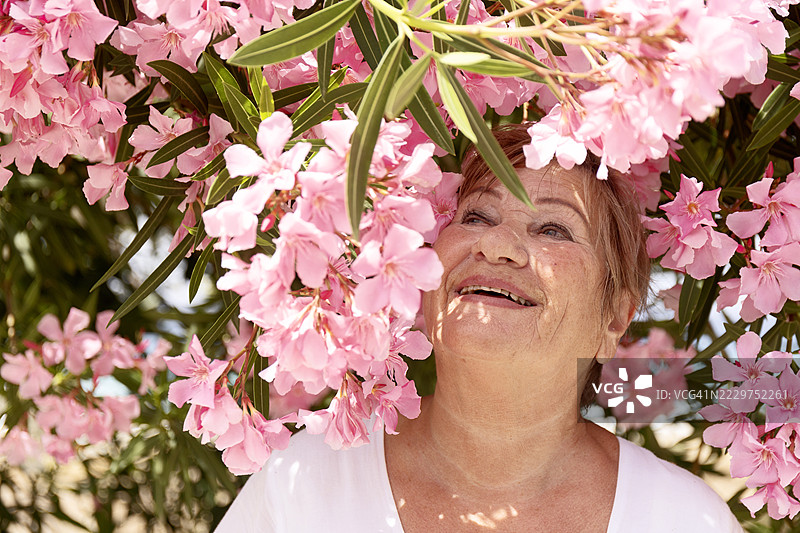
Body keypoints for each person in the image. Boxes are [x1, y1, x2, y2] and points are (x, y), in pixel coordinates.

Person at [214, 125, 744, 532]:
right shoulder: (300, 482)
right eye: (476, 217)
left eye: (554, 228)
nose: (496, 245)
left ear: (613, 319)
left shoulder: (683, 519)